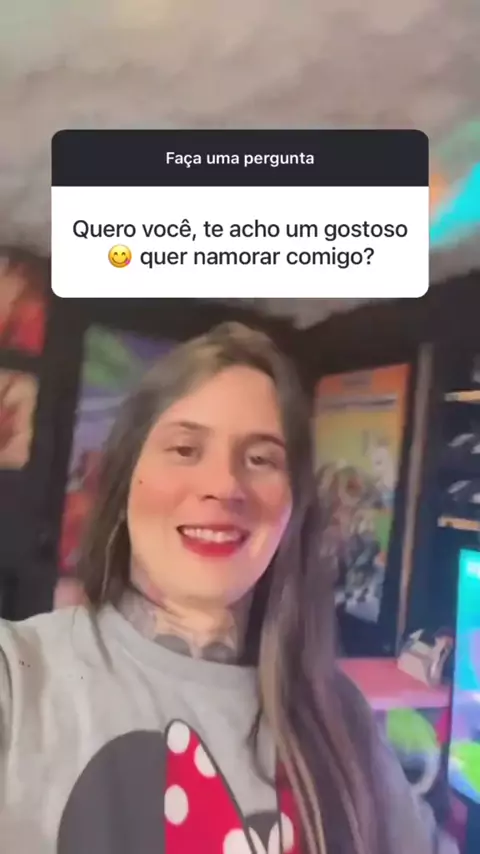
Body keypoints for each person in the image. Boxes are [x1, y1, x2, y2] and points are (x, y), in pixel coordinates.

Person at [0, 322, 457, 854]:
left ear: (294, 507)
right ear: (125, 483)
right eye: (185, 449)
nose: (223, 486)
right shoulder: (18, 675)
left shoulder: (341, 720)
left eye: (261, 459)